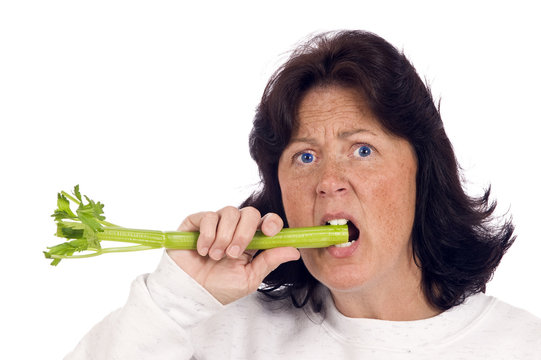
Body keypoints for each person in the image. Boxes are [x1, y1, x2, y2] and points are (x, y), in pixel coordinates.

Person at [65, 30, 541, 359]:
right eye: (305, 157)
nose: (329, 180)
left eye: (361, 149)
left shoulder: (521, 345)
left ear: (423, 171)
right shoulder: (221, 334)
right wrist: (178, 297)